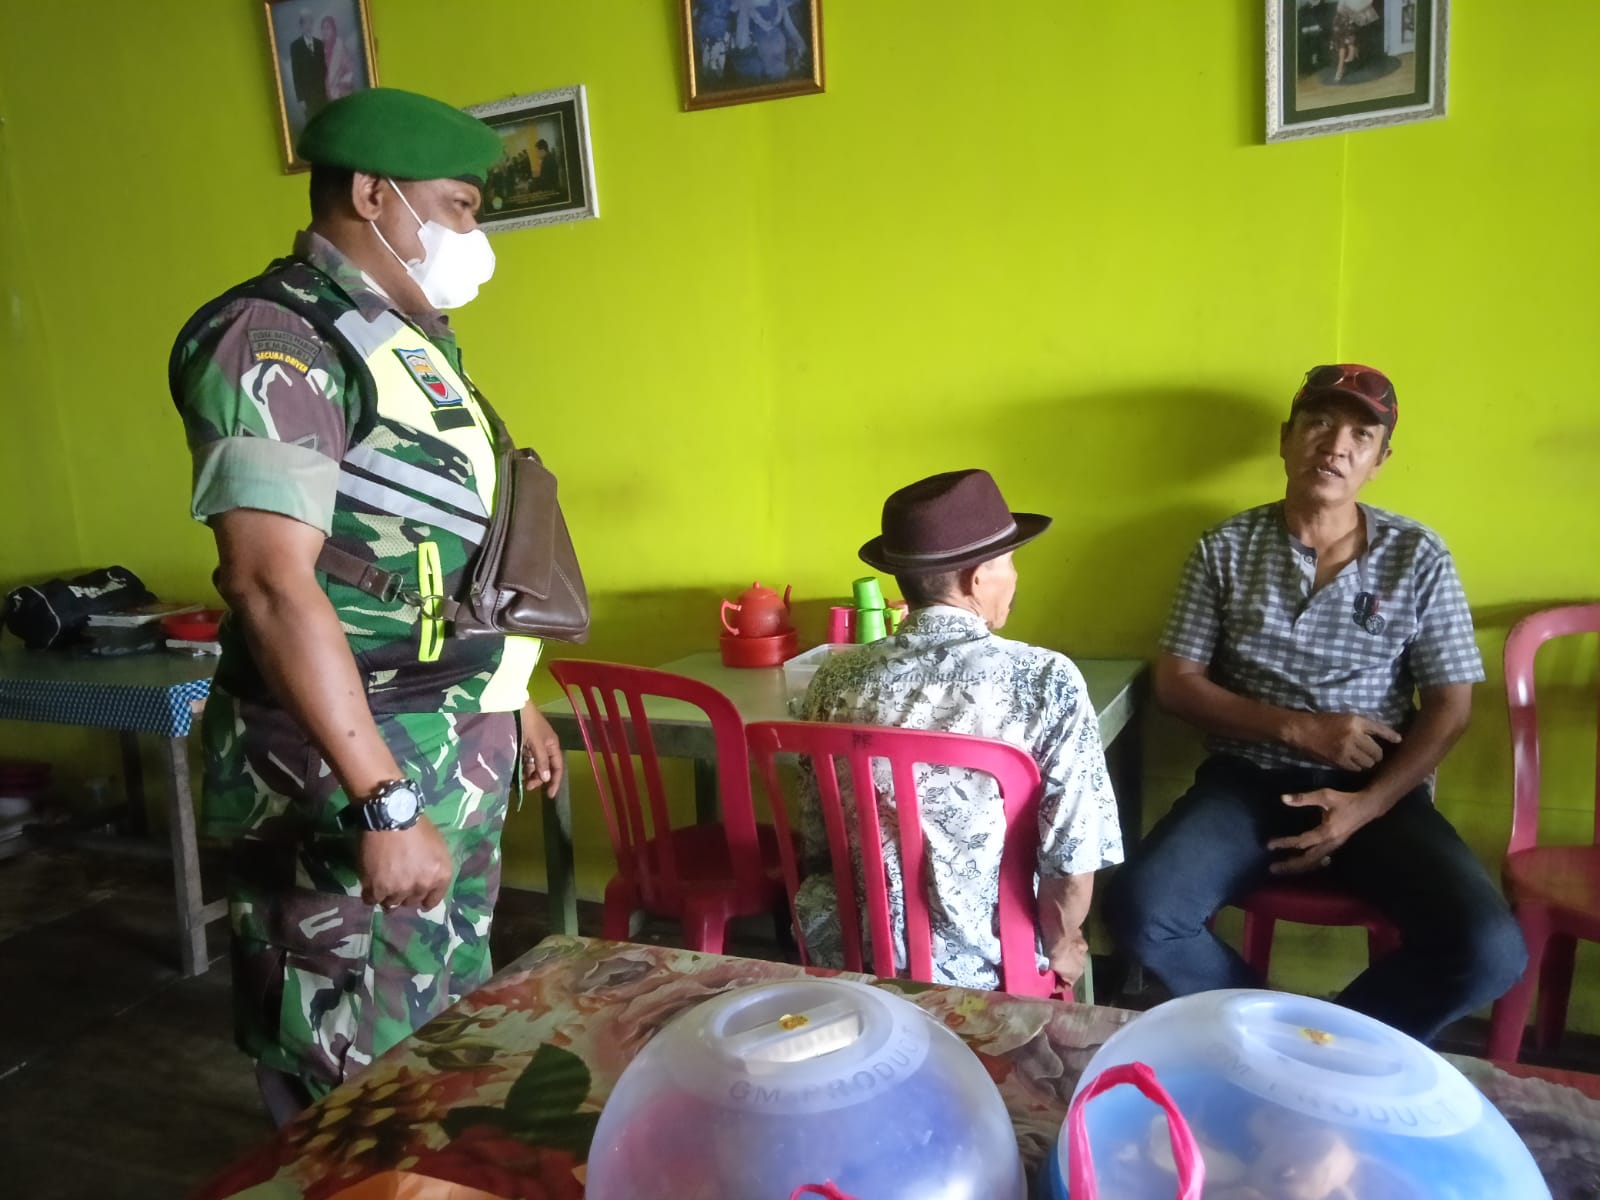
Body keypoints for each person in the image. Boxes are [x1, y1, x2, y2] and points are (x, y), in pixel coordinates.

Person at [168, 87, 569, 1121]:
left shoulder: (404, 338)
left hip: (448, 741)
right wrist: (383, 801)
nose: (473, 235)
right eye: (458, 205)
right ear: (373, 194)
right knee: (347, 1057)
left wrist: (509, 696)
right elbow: (269, 581)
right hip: (354, 764)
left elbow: (443, 549)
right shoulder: (276, 339)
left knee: (437, 1020)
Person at [1105, 365, 1526, 1042]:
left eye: (1361, 435)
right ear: (1286, 438)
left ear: (1379, 461)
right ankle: (1269, 1033)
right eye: (1319, 424)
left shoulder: (1417, 556)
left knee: (1490, 951)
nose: (1335, 446)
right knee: (1141, 911)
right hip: (1246, 782)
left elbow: (1450, 707)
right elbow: (1176, 683)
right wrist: (1299, 730)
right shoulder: (1224, 548)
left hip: (1376, 790)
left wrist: (1366, 806)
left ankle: (1333, 1042)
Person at [796, 469, 1124, 991]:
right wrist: (1064, 945)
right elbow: (1071, 854)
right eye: (1009, 561)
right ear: (976, 577)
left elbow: (817, 836)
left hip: (855, 950)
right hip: (993, 964)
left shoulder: (835, 678)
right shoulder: (1045, 680)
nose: (1015, 576)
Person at [288, 10, 329, 124]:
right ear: (301, 26)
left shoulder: (319, 44)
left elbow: (323, 67)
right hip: (307, 96)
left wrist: (324, 84)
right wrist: (301, 99)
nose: (308, 27)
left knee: (325, 120)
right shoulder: (295, 46)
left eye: (310, 23)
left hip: (321, 93)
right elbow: (296, 73)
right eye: (305, 23)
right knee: (312, 123)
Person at [321, 14, 357, 101]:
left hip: (339, 95)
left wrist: (342, 86)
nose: (325, 31)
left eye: (328, 28)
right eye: (323, 28)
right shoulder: (319, 48)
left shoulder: (340, 47)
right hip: (323, 96)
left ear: (333, 30)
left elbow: (350, 70)